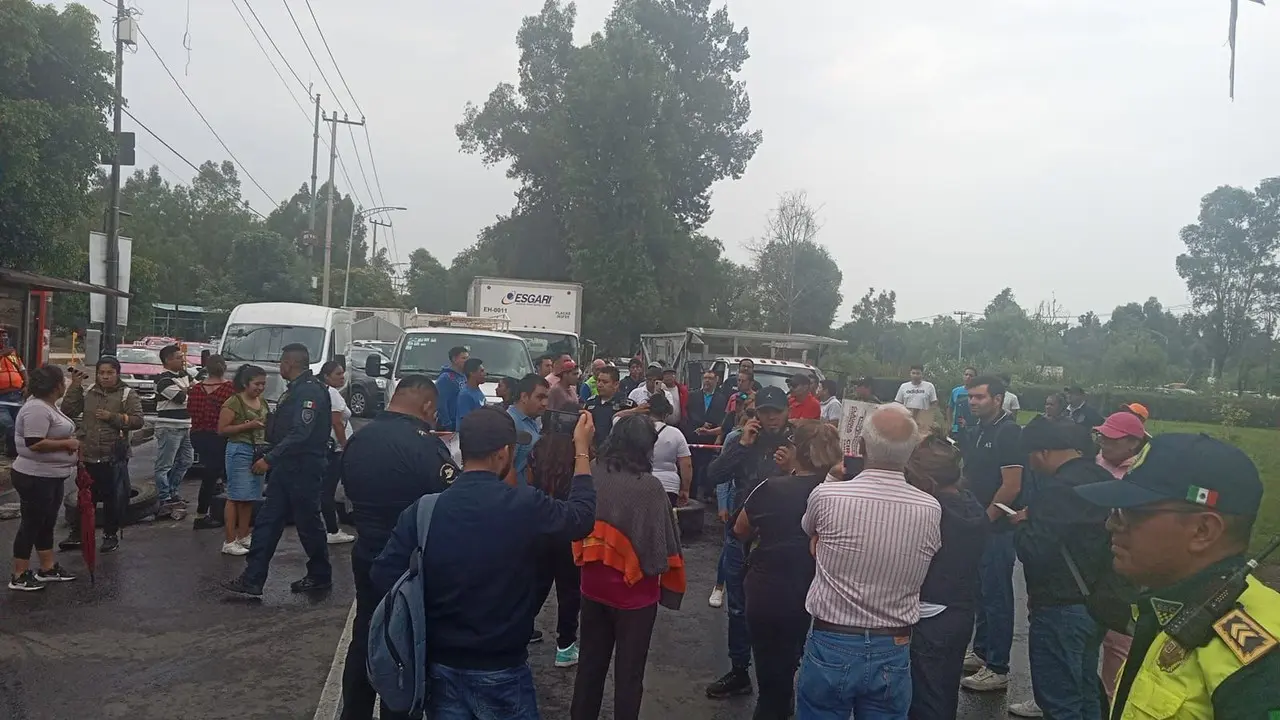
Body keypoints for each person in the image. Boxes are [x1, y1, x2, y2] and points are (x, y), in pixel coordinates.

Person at [371, 407, 597, 719]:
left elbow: (383, 575)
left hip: (440, 667)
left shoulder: (424, 510)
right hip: (502, 667)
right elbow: (582, 518)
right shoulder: (524, 505)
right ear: (504, 452)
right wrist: (581, 451)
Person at [1074, 434, 1280, 719]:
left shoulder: (1260, 665)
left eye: (1130, 513)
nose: (1111, 524)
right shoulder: (1171, 604)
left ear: (1202, 531)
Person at [795, 403, 942, 718]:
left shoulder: (827, 496)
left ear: (861, 447)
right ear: (911, 451)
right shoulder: (930, 507)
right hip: (894, 643)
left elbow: (811, 531)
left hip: (832, 638)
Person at [340, 374, 458, 720]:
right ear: (427, 406)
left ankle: (354, 712)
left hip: (366, 551)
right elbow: (450, 498)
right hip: (409, 559)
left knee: (365, 635)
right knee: (403, 643)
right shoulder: (423, 444)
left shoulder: (359, 439)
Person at [570, 415, 685, 720]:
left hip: (592, 587)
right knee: (629, 676)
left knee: (589, 669)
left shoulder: (591, 471)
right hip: (634, 598)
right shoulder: (649, 487)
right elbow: (663, 546)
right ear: (646, 447)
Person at [734, 420, 842, 720]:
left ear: (799, 451)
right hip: (826, 589)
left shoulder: (772, 487)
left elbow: (740, 529)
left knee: (772, 681)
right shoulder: (841, 491)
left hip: (773, 586)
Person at [1010, 417, 1112, 719]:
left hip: (1059, 604)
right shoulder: (1099, 477)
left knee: (1059, 699)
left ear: (1042, 453)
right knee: (1085, 688)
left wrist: (1022, 524)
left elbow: (1035, 550)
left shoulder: (1057, 490)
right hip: (1095, 600)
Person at [703, 386, 795, 700]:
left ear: (787, 412)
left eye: (775, 411)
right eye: (763, 412)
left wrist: (791, 468)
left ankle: (783, 675)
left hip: (780, 538)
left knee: (783, 609)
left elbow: (815, 483)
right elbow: (713, 475)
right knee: (739, 608)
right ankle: (739, 670)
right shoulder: (741, 439)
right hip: (739, 535)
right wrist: (742, 446)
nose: (769, 418)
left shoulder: (797, 442)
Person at [222, 343, 332, 597]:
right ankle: (253, 578)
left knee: (308, 524)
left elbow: (301, 433)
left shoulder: (309, 392)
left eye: (282, 361)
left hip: (304, 467)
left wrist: (269, 458)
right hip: (287, 467)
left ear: (290, 363)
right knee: (267, 522)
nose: (280, 366)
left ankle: (320, 575)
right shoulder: (295, 390)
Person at [904, 427, 988, 720]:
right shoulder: (971, 505)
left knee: (924, 696)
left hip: (929, 613)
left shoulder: (932, 513)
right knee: (943, 689)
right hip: (959, 610)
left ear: (924, 481)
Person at [960, 374, 1024, 692]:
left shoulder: (1008, 432)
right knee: (981, 593)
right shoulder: (980, 429)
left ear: (998, 399)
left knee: (997, 596)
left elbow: (1011, 485)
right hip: (979, 520)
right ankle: (982, 652)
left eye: (980, 397)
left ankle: (998, 667)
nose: (973, 402)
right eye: (970, 396)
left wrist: (985, 520)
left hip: (996, 528)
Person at [57, 357, 144, 554]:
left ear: (117, 373)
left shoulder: (127, 394)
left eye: (109, 373)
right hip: (88, 455)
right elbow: (68, 410)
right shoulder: (88, 391)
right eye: (101, 373)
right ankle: (79, 534)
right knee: (85, 497)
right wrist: (75, 386)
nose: (105, 377)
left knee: (113, 497)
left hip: (112, 456)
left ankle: (110, 535)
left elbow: (138, 421)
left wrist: (113, 417)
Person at [1091, 411, 1149, 705]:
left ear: (1133, 443)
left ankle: (1112, 701)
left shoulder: (1142, 472)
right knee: (1086, 632)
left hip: (1124, 563)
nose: (1103, 443)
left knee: (1118, 639)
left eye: (1110, 439)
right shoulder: (1095, 461)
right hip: (1091, 559)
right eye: (1101, 435)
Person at [8, 366, 78, 590]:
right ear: (56, 385)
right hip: (34, 476)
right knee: (31, 523)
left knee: (46, 522)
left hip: (51, 475)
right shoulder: (37, 409)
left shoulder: (48, 406)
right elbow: (35, 442)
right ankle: (19, 574)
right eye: (63, 381)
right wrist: (68, 443)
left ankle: (47, 568)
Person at [530, 432, 584, 669]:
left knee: (534, 585)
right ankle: (565, 647)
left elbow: (529, 481)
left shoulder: (539, 447)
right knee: (570, 591)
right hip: (569, 526)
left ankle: (517, 632)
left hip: (540, 523)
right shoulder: (579, 453)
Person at [217, 365, 268, 555]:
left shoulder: (261, 401)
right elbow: (222, 429)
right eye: (257, 384)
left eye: (263, 384)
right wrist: (248, 426)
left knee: (250, 496)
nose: (260, 388)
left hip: (257, 450)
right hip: (239, 450)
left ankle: (243, 535)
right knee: (235, 496)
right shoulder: (234, 402)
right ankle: (229, 541)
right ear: (245, 383)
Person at [184, 354, 233, 530]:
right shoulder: (230, 389)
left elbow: (190, 411)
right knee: (212, 476)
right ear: (224, 368)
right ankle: (202, 514)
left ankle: (208, 510)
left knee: (210, 473)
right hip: (218, 435)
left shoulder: (196, 389)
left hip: (197, 435)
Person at [153, 343, 194, 511]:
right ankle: (164, 497)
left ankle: (173, 491)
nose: (182, 360)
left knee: (186, 461)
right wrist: (187, 390)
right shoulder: (162, 380)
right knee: (165, 464)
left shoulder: (184, 375)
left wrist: (187, 389)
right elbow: (181, 398)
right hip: (169, 427)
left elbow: (198, 391)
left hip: (186, 426)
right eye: (178, 358)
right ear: (168, 360)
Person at [320, 360, 356, 545]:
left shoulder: (329, 392)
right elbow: (336, 422)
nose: (342, 377)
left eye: (342, 373)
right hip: (336, 448)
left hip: (333, 447)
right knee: (328, 490)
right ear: (326, 376)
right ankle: (332, 530)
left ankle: (332, 527)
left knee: (328, 489)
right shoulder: (332, 393)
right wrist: (345, 444)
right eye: (337, 374)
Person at [684, 370, 728, 498]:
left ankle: (708, 493)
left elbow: (722, 417)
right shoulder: (693, 395)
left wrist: (711, 428)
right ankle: (692, 492)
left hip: (712, 437)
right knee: (694, 465)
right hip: (695, 435)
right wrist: (701, 424)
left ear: (716, 380)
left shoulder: (721, 398)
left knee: (709, 466)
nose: (707, 381)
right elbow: (690, 412)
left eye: (710, 378)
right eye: (705, 378)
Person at [647, 392, 692, 507]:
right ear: (666, 414)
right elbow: (686, 465)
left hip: (642, 482)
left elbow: (615, 418)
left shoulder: (637, 429)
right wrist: (685, 489)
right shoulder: (676, 434)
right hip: (669, 486)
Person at [508, 373, 550, 486]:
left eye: (546, 398)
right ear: (524, 397)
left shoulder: (532, 419)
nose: (545, 403)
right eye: (540, 397)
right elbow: (506, 469)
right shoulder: (511, 423)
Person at [0, 329, 27, 456]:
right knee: (9, 425)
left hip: (17, 395)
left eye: (5, 335)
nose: (3, 338)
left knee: (19, 426)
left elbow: (22, 369)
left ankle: (14, 452)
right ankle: (11, 451)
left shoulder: (13, 354)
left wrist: (27, 384)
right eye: (1, 336)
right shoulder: (5, 353)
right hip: (1, 398)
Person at [434, 345, 469, 432]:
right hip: (450, 426)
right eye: (464, 358)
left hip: (462, 423)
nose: (467, 361)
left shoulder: (465, 376)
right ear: (454, 359)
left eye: (467, 358)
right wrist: (447, 424)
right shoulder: (446, 378)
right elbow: (440, 402)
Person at [453, 357, 488, 427]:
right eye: (481, 371)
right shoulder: (465, 395)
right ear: (472, 373)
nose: (485, 373)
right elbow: (466, 421)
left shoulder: (477, 391)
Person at [948, 367, 977, 446]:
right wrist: (950, 424)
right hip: (957, 428)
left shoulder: (978, 392)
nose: (968, 377)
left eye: (971, 375)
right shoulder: (955, 391)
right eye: (966, 374)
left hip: (973, 429)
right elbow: (950, 408)